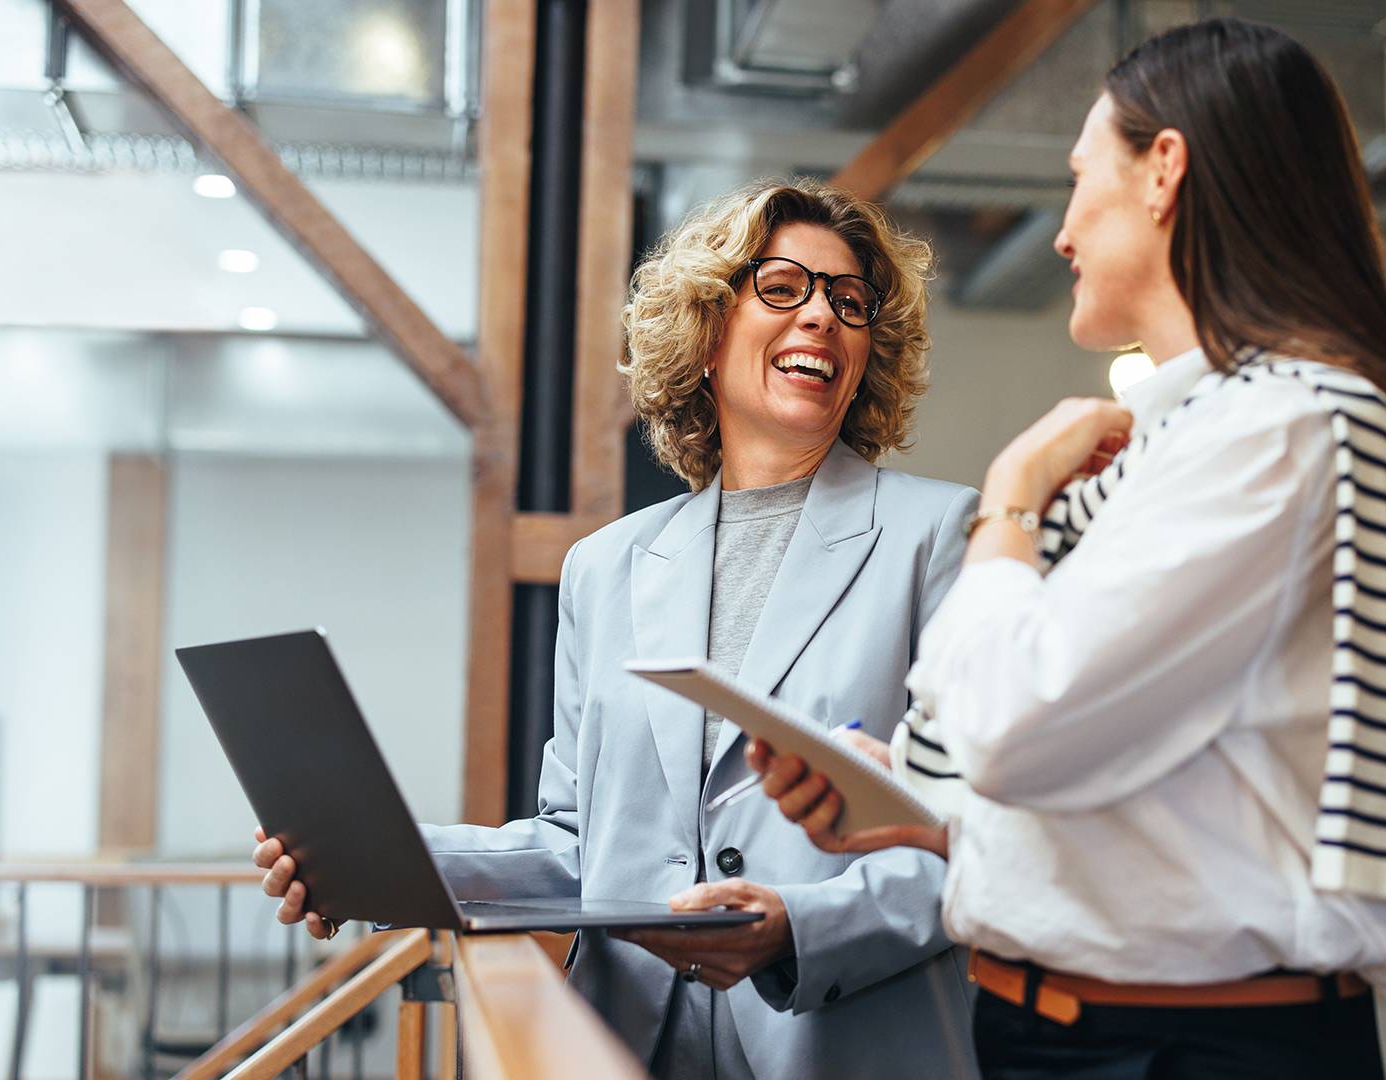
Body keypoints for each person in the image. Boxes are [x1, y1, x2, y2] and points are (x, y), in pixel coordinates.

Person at [753, 18, 1386, 1079]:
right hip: (1095, 1029)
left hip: (1179, 1045)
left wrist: (1010, 500)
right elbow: (1135, 775)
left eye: (1083, 176)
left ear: (1164, 171)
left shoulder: (1284, 427)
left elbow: (1014, 725)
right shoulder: (1210, 430)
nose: (1061, 232)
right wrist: (914, 798)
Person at [252, 178, 980, 1079]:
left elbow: (976, 836)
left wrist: (801, 927)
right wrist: (369, 864)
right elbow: (576, 845)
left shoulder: (941, 536)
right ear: (708, 330)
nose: (823, 317)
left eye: (850, 300)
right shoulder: (607, 567)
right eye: (784, 287)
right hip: (630, 1046)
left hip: (841, 1046)